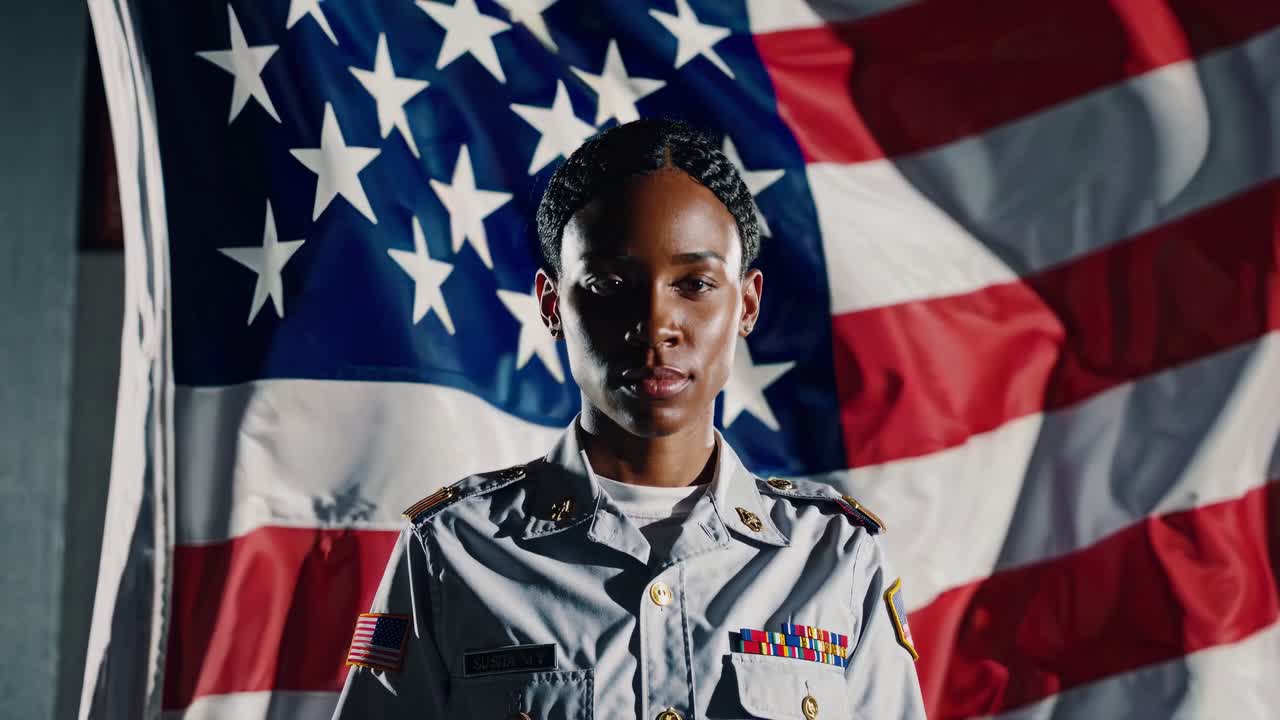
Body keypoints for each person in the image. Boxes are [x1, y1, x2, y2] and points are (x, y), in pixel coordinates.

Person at [332, 118, 926, 719]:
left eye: (695, 283)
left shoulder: (834, 555)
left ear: (746, 304)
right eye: (611, 283)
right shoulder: (453, 550)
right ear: (551, 304)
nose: (655, 324)